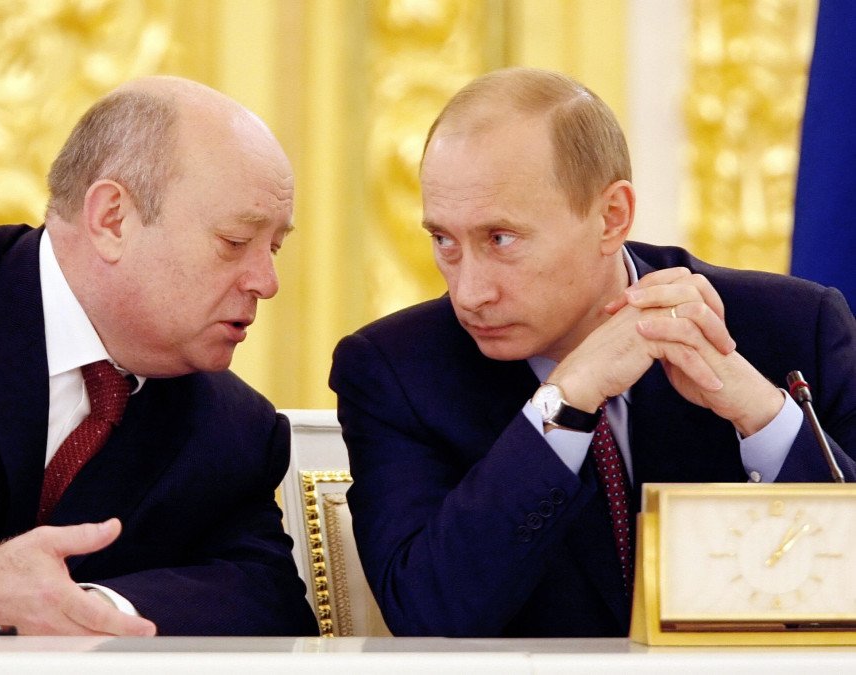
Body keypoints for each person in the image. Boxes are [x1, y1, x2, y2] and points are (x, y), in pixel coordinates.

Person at [329, 67, 856, 638]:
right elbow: (428, 616)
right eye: (444, 241)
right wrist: (562, 406)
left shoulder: (791, 330)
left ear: (611, 217)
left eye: (500, 239)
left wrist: (764, 419)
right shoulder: (396, 371)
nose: (470, 290)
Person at [0, 76, 318, 637]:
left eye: (275, 248)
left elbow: (268, 599)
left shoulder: (234, 428)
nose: (267, 281)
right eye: (236, 242)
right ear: (112, 218)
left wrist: (95, 610)